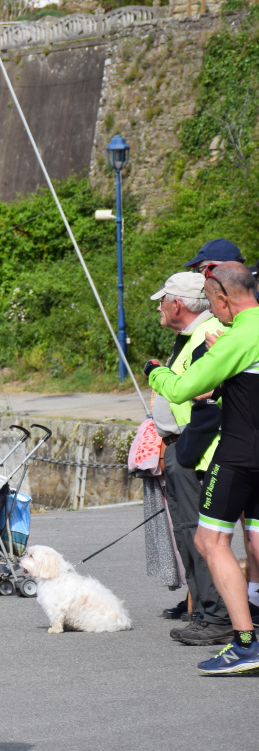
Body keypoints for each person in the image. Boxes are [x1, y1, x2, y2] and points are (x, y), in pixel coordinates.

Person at [147, 262, 259, 674]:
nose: (213, 311)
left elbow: (183, 389)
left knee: (209, 542)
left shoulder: (238, 337)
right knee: (256, 541)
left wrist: (154, 371)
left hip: (239, 454)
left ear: (223, 298)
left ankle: (245, 643)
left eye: (213, 302)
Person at [146, 273, 228, 643]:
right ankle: (204, 614)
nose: (159, 308)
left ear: (177, 303)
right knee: (188, 534)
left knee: (200, 536)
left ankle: (216, 617)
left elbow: (206, 398)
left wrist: (184, 451)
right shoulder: (194, 335)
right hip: (186, 446)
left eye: (162, 301)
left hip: (197, 451)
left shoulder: (207, 334)